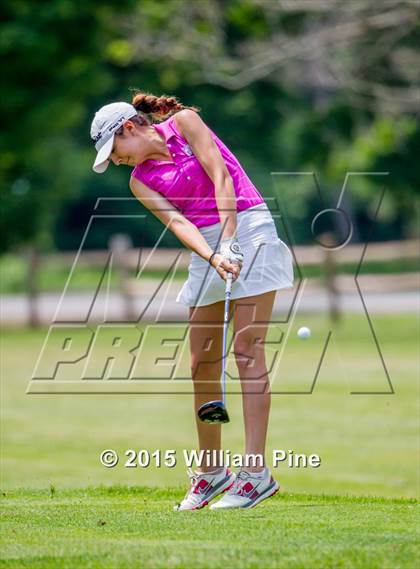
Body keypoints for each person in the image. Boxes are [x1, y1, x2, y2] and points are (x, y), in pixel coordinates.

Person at [90, 92, 293, 510]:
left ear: (129, 128)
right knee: (202, 360)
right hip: (208, 245)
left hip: (247, 223)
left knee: (245, 350)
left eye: (115, 150)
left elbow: (220, 174)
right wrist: (214, 255)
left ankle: (255, 474)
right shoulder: (139, 181)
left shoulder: (184, 123)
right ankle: (212, 471)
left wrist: (232, 239)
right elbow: (178, 221)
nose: (114, 160)